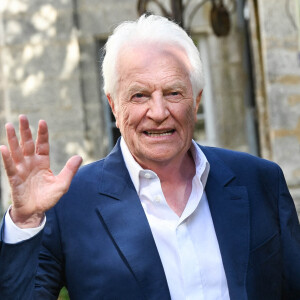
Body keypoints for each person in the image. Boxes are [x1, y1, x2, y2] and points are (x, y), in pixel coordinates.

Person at [0, 14, 299, 300]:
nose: (158, 113)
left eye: (173, 93)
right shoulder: (68, 204)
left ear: (195, 101)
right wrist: (25, 222)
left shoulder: (261, 182)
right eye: (139, 95)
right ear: (114, 106)